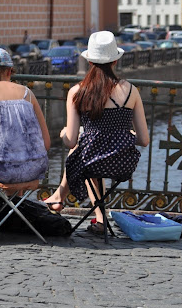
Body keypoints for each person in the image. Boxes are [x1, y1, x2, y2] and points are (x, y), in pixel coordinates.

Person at [44, 30, 149, 234]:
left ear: (90, 63)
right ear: (115, 62)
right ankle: (98, 218)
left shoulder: (78, 92)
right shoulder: (131, 90)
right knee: (91, 151)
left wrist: (63, 133)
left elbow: (70, 140)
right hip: (124, 162)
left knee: (82, 150)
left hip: (92, 158)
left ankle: (59, 197)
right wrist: (120, 137)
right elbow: (144, 140)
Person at [0, 47, 50, 184]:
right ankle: (14, 205)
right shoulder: (27, 93)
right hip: (35, 168)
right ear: (9, 71)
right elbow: (46, 143)